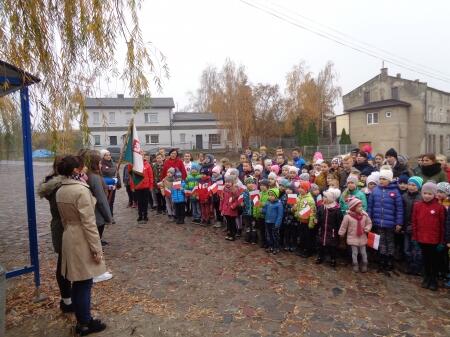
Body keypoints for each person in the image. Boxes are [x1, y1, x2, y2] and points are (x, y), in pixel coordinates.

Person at [55, 155, 107, 335]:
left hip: (69, 234)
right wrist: (96, 248)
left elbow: (63, 219)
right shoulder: (80, 190)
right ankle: (85, 323)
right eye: (82, 167)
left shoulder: (61, 189)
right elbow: (89, 224)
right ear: (76, 170)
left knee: (78, 281)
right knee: (84, 282)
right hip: (81, 238)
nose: (85, 169)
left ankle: (82, 318)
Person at [38, 155, 73, 313]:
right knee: (64, 265)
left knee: (64, 263)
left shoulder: (53, 184)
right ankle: (67, 301)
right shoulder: (61, 186)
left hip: (60, 226)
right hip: (64, 227)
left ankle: (67, 299)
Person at [368, 166, 404, 273]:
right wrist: (369, 219)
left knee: (390, 241)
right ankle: (382, 260)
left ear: (389, 179)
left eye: (384, 179)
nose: (381, 181)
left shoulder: (395, 192)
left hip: (390, 223)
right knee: (381, 242)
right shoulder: (375, 191)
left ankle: (390, 261)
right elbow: (370, 206)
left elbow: (399, 209)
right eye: (380, 178)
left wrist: (399, 223)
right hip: (378, 222)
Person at [412, 182, 446, 291]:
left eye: (430, 194)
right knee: (425, 259)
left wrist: (442, 241)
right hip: (422, 239)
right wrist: (415, 237)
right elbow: (414, 222)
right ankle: (426, 277)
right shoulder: (417, 206)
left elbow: (442, 226)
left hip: (434, 240)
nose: (427, 196)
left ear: (435, 194)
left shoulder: (440, 208)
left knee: (434, 261)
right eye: (425, 193)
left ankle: (433, 279)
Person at [85, 152, 113, 255]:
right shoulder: (94, 177)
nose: (100, 165)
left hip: (93, 209)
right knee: (97, 229)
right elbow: (101, 199)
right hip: (96, 210)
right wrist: (108, 216)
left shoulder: (92, 175)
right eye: (99, 163)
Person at [339, 197, 373, 273]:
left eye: (361, 206)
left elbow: (369, 223)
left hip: (362, 237)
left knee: (363, 253)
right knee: (354, 253)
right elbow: (343, 226)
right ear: (353, 208)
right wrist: (341, 233)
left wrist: (367, 228)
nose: (361, 208)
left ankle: (364, 263)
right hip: (352, 237)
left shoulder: (364, 215)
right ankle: (355, 264)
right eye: (359, 206)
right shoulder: (347, 217)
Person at [402, 176, 423, 275]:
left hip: (417, 228)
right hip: (406, 226)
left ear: (418, 187)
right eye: (409, 184)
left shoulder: (421, 198)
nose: (411, 187)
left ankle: (416, 267)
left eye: (414, 185)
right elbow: (402, 211)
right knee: (406, 248)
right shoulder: (404, 196)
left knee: (416, 249)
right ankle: (409, 265)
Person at [316, 188, 342, 267]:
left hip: (332, 231)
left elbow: (339, 221)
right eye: (324, 197)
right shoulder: (322, 207)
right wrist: (317, 220)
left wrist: (339, 231)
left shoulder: (336, 209)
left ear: (331, 199)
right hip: (323, 229)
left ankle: (333, 259)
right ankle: (320, 256)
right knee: (321, 244)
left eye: (326, 197)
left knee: (332, 246)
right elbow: (318, 215)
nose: (324, 198)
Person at [293, 180, 316, 258]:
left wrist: (311, 224)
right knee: (302, 236)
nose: (300, 189)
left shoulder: (310, 200)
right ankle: (302, 249)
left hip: (307, 222)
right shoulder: (298, 197)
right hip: (300, 220)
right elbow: (297, 208)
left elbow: (312, 212)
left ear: (306, 189)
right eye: (299, 187)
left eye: (302, 188)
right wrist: (294, 210)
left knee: (307, 238)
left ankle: (308, 251)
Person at [131, 151, 154, 223]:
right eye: (139, 155)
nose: (141, 156)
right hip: (138, 187)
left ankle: (145, 215)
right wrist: (132, 186)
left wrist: (151, 186)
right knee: (139, 202)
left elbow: (151, 176)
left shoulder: (147, 165)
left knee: (145, 202)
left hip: (146, 187)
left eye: (142, 155)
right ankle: (140, 215)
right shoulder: (134, 165)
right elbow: (132, 177)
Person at [99, 149, 121, 222]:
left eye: (109, 155)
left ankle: (111, 216)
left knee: (111, 201)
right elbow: (107, 171)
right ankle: (106, 217)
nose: (109, 156)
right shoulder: (101, 164)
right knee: (106, 201)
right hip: (105, 186)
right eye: (106, 155)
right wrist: (114, 170)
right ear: (103, 156)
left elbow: (117, 174)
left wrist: (118, 183)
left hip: (113, 185)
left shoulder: (113, 163)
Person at [262, 188, 284, 255]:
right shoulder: (267, 202)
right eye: (269, 195)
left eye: (272, 195)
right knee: (269, 235)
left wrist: (277, 223)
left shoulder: (279, 204)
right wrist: (262, 210)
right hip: (267, 222)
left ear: (276, 196)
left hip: (274, 223)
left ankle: (276, 247)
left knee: (275, 236)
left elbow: (280, 215)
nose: (270, 197)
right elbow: (265, 210)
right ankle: (271, 246)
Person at [220, 175, 240, 241]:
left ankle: (233, 234)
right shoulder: (224, 190)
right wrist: (221, 208)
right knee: (228, 222)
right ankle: (229, 233)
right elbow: (222, 199)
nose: (227, 183)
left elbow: (237, 200)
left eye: (229, 182)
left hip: (232, 210)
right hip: (226, 209)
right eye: (226, 182)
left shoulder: (235, 190)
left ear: (232, 183)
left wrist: (233, 206)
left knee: (232, 222)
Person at [254, 179, 270, 247]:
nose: (262, 187)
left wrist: (263, 205)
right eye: (261, 185)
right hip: (259, 215)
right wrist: (255, 213)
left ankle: (267, 242)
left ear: (267, 186)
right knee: (261, 230)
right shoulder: (259, 194)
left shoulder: (269, 194)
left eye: (264, 185)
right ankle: (262, 241)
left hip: (266, 216)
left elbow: (269, 205)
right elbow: (255, 204)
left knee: (267, 231)